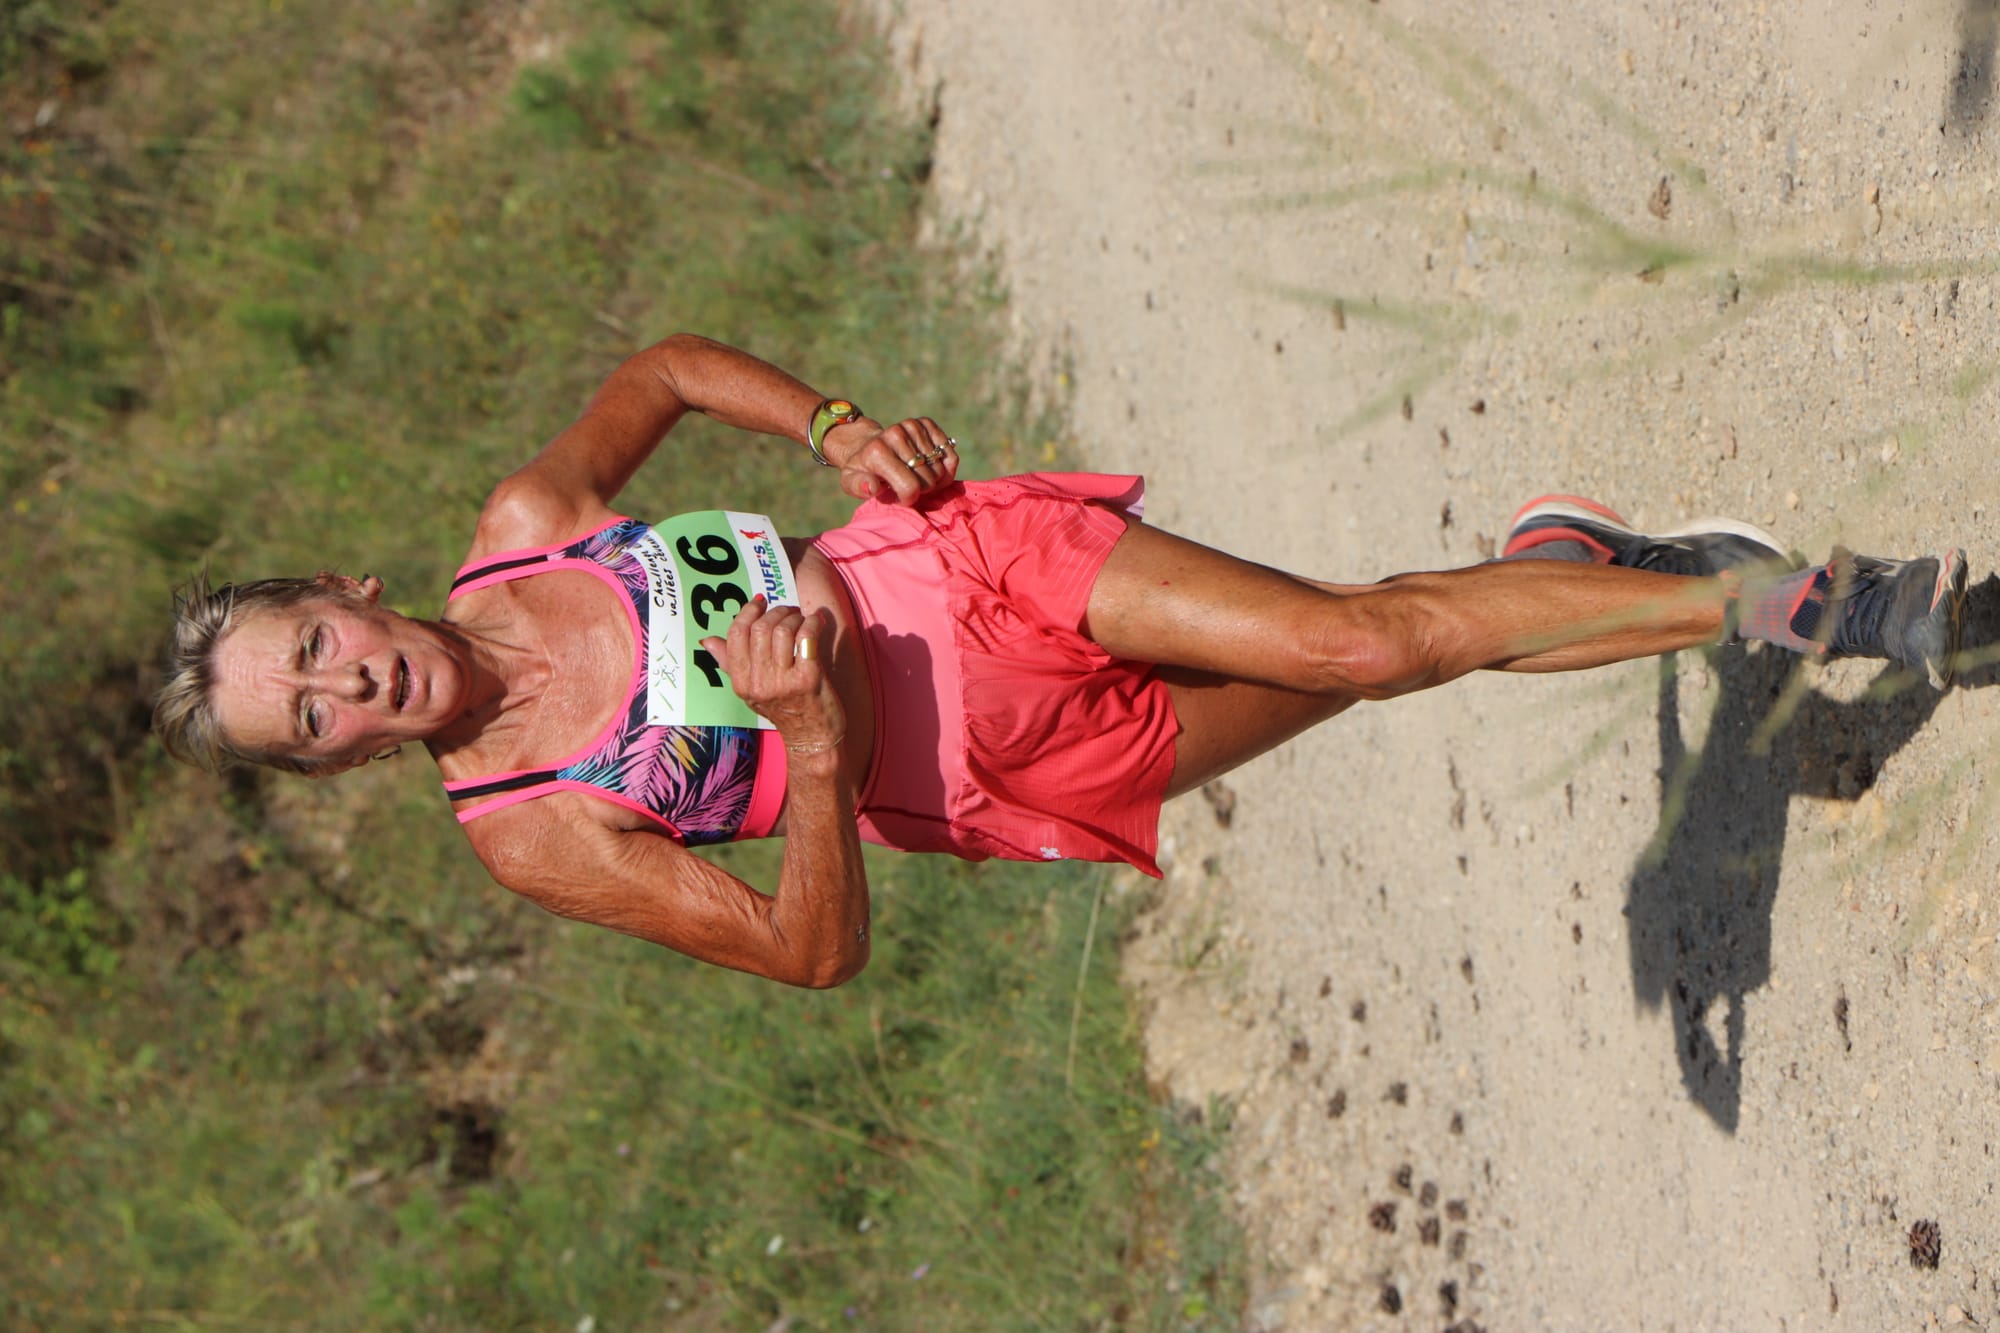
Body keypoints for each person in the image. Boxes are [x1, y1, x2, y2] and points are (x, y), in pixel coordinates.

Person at [152, 335, 1969, 988]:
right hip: (965, 776)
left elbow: (669, 368)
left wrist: (834, 424)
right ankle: (1565, 571)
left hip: (968, 570)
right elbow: (811, 953)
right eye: (303, 720)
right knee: (1370, 667)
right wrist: (809, 734)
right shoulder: (527, 828)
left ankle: (1822, 607)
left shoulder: (531, 521)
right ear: (325, 768)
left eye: (310, 648)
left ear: (345, 586)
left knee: (1359, 634)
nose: (342, 688)